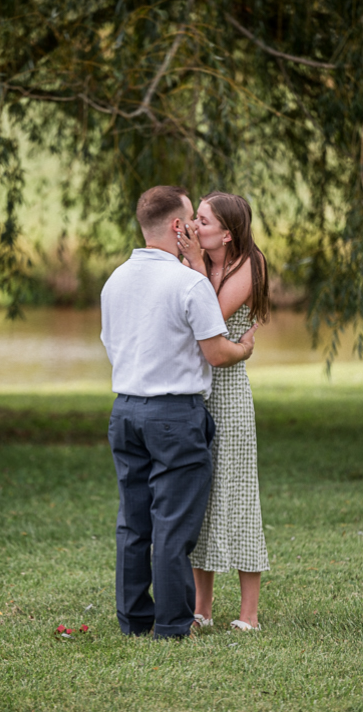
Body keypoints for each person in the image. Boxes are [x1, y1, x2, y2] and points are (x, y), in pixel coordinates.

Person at [99, 185, 257, 639]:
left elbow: (113, 346)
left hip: (125, 410)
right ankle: (171, 625)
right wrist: (243, 348)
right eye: (190, 220)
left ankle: (134, 621)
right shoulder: (189, 283)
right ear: (176, 226)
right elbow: (216, 352)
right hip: (174, 415)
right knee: (172, 524)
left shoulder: (115, 281)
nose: (192, 227)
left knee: (133, 522)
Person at [177, 191, 270, 632]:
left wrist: (193, 263)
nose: (195, 225)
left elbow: (210, 314)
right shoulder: (195, 264)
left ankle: (248, 615)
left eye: (203, 220)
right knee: (202, 498)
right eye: (195, 218)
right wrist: (191, 261)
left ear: (227, 233)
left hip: (229, 395)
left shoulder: (249, 264)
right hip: (195, 391)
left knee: (237, 495)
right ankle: (202, 609)